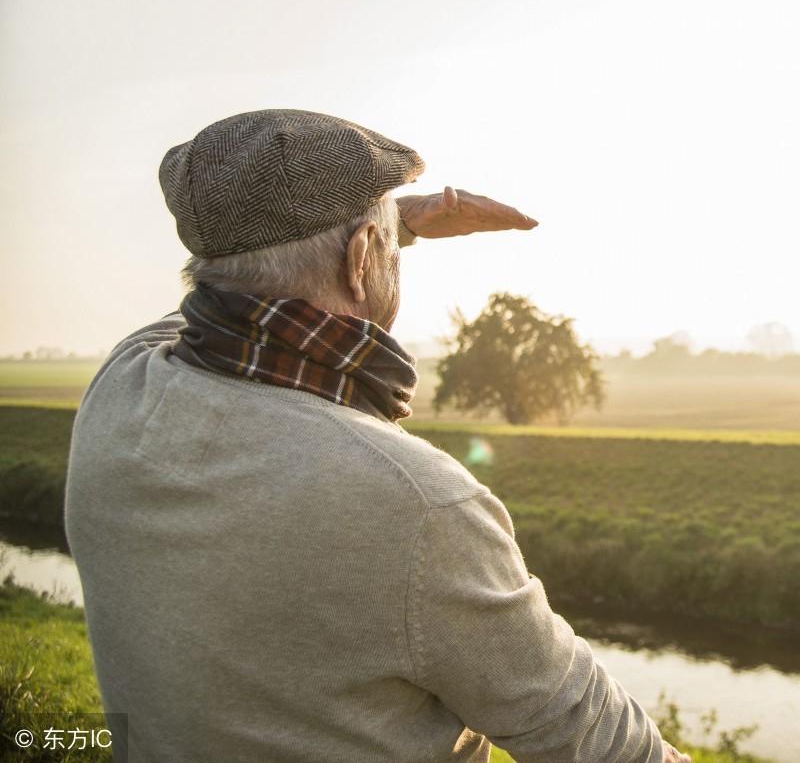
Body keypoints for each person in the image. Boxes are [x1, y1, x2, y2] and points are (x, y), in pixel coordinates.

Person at [64, 109, 691, 763]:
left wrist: (394, 224)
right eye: (384, 241)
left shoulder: (119, 387)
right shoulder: (416, 506)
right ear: (363, 259)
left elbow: (220, 298)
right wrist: (391, 223)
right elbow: (592, 735)